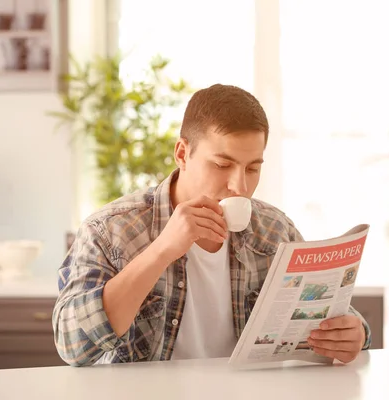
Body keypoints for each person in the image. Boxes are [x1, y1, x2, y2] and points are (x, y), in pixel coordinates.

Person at [52, 84, 371, 367]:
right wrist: (162, 250)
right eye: (222, 165)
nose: (239, 186)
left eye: (252, 168)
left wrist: (353, 333)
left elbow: (327, 312)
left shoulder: (273, 229)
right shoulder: (110, 229)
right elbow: (72, 345)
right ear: (182, 153)